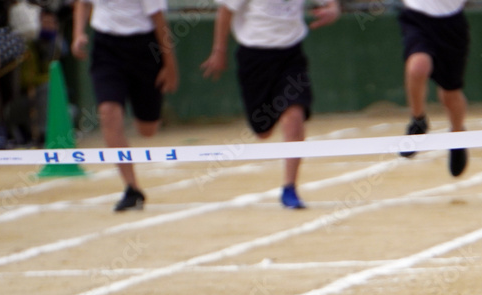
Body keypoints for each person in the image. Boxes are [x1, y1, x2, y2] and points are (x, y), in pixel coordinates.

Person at [200, 0, 339, 209]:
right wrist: (219, 50)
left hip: (291, 55)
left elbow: (330, 3)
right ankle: (274, 111)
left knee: (294, 117)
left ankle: (289, 187)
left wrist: (333, 9)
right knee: (262, 130)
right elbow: (225, 10)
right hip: (255, 57)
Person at [72, 0, 179, 213]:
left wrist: (170, 65)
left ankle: (141, 109)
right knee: (108, 112)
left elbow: (159, 19)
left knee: (148, 129)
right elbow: (82, 3)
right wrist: (78, 34)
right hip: (106, 47)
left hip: (144, 47)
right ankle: (132, 188)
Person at [396, 0, 469, 178]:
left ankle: (457, 136)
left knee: (450, 93)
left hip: (452, 23)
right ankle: (418, 119)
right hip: (417, 17)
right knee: (418, 67)